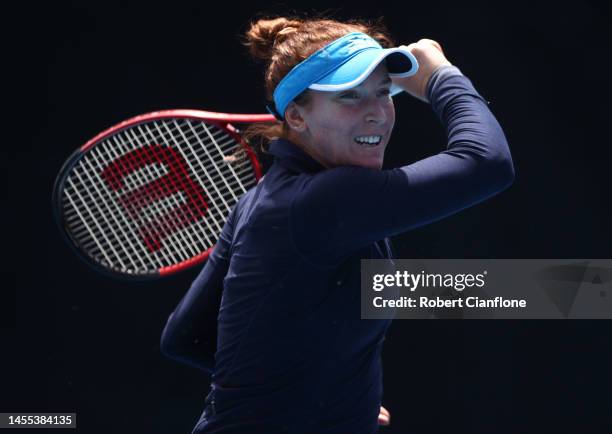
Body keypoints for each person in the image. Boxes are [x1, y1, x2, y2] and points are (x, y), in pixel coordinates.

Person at [160, 15, 514, 434]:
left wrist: (329, 395)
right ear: (296, 117)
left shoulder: (262, 202)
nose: (376, 113)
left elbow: (185, 335)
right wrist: (440, 76)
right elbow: (487, 162)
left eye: (383, 92)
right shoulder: (325, 202)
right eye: (349, 96)